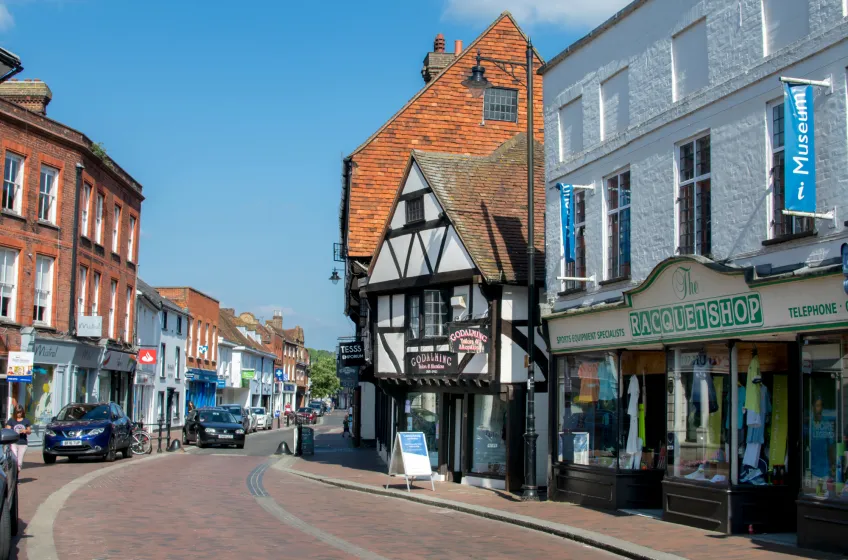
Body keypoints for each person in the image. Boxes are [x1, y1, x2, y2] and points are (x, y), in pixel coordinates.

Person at [6, 404, 31, 473]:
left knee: (19, 463)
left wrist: (25, 431)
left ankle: (16, 475)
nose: (19, 414)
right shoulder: (11, 420)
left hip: (22, 443)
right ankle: (13, 475)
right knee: (14, 460)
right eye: (17, 412)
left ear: (22, 412)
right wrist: (12, 431)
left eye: (20, 412)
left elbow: (29, 431)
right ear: (15, 412)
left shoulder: (26, 421)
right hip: (13, 443)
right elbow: (7, 430)